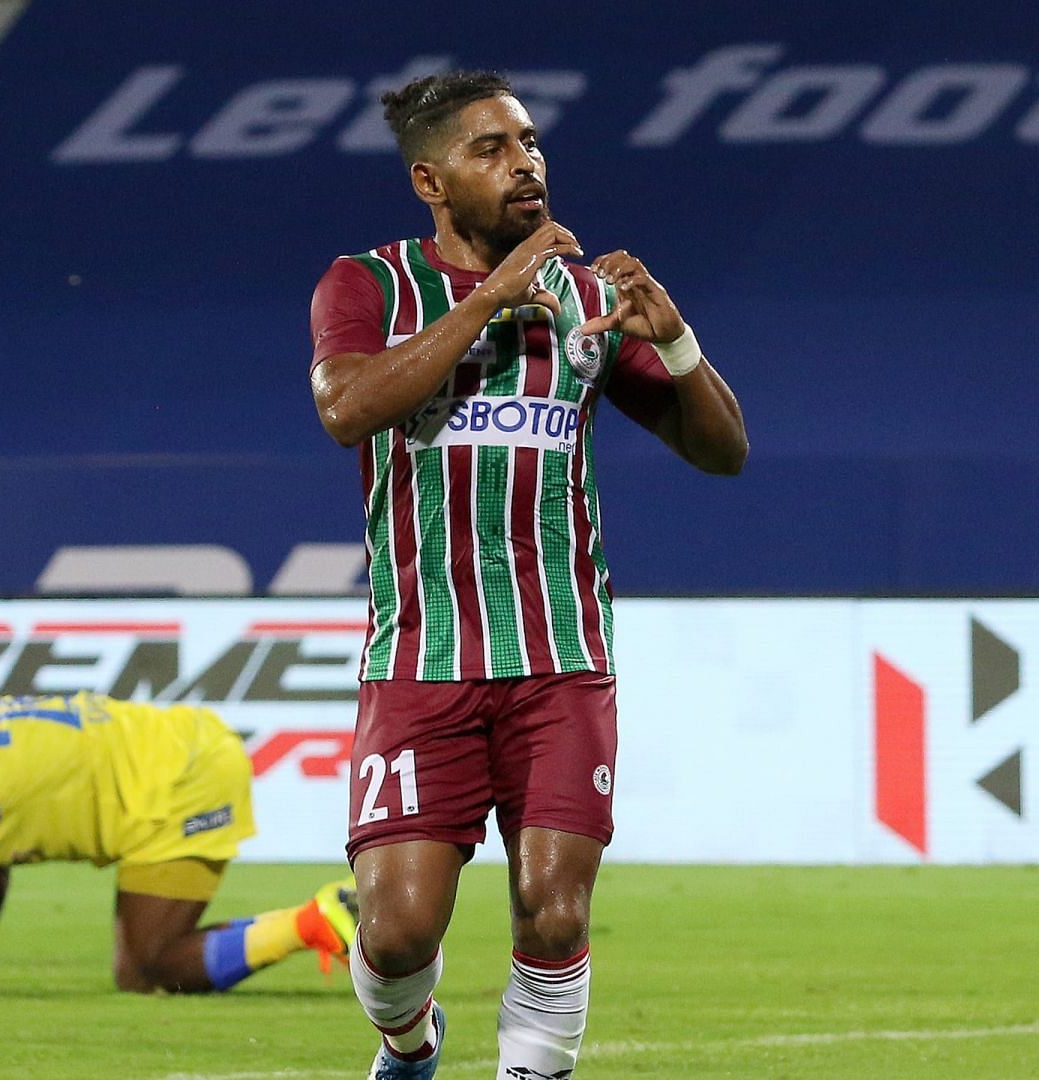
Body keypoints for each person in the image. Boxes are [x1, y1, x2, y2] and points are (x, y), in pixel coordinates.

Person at [308, 71, 748, 1079]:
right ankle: (409, 1047)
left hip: (561, 656)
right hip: (421, 660)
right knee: (396, 937)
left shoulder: (587, 300)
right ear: (431, 178)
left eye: (531, 143)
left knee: (555, 908)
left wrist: (673, 338)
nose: (526, 165)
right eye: (492, 149)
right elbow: (348, 409)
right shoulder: (367, 287)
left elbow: (721, 451)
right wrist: (490, 303)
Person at [0, 692, 357, 993]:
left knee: (150, 970)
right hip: (183, 749)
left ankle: (317, 921)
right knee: (140, 969)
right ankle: (321, 918)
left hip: (180, 783)